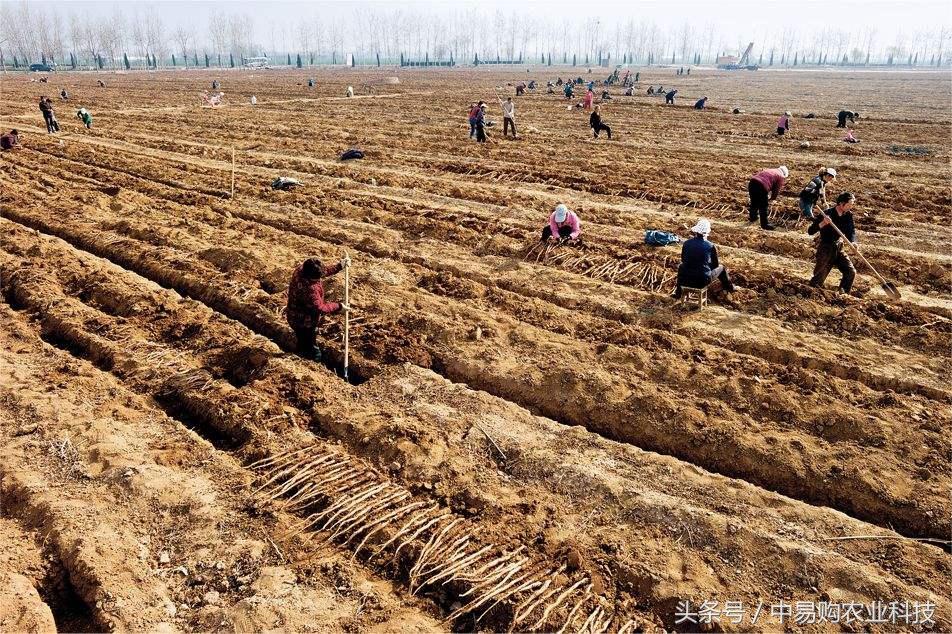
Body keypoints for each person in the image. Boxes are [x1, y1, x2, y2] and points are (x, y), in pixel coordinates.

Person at [286, 256, 350, 361]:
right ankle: (312, 362)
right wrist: (338, 307)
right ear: (311, 277)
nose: (319, 279)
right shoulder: (309, 290)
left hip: (296, 315)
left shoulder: (303, 269)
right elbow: (320, 308)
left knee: (303, 341)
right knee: (311, 346)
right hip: (302, 321)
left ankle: (300, 351)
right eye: (317, 278)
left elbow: (322, 271)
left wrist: (340, 266)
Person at [808, 192, 857, 294]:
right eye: (849, 204)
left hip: (839, 247)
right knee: (819, 278)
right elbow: (811, 231)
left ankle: (843, 293)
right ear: (841, 203)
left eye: (852, 204)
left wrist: (853, 242)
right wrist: (823, 223)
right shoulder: (827, 213)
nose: (851, 207)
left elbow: (851, 230)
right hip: (826, 247)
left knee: (850, 272)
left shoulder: (848, 215)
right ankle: (811, 295)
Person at [674, 219, 736, 298]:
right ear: (707, 232)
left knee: (681, 267)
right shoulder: (710, 245)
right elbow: (715, 265)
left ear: (696, 231)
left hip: (686, 280)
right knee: (722, 268)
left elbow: (683, 260)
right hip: (702, 281)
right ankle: (730, 288)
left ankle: (678, 293)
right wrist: (706, 265)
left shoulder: (686, 243)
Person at [748, 165, 788, 230]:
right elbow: (776, 190)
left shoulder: (771, 170)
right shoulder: (780, 176)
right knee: (763, 206)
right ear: (784, 174)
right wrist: (773, 198)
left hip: (752, 182)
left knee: (754, 202)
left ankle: (753, 217)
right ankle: (764, 225)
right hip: (761, 186)